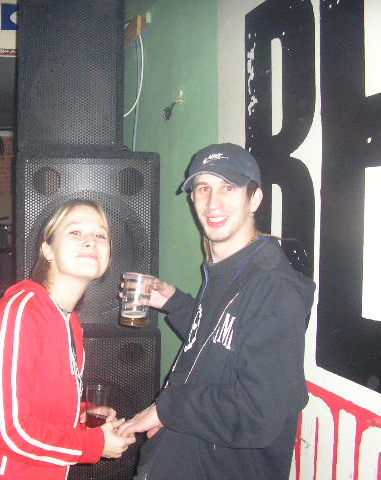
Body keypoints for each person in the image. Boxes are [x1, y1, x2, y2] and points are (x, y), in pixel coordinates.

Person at [118, 143, 315, 480]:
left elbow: (259, 413)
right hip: (174, 459)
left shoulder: (274, 287)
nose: (213, 203)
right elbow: (222, 340)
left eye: (228, 187)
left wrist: (167, 409)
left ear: (254, 199)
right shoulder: (226, 270)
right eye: (203, 188)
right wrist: (174, 302)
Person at [0, 199, 136, 480]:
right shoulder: (18, 315)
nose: (90, 240)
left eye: (100, 235)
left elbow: (36, 404)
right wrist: (94, 444)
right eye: (75, 231)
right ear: (47, 249)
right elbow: (8, 432)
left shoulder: (70, 321)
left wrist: (82, 415)